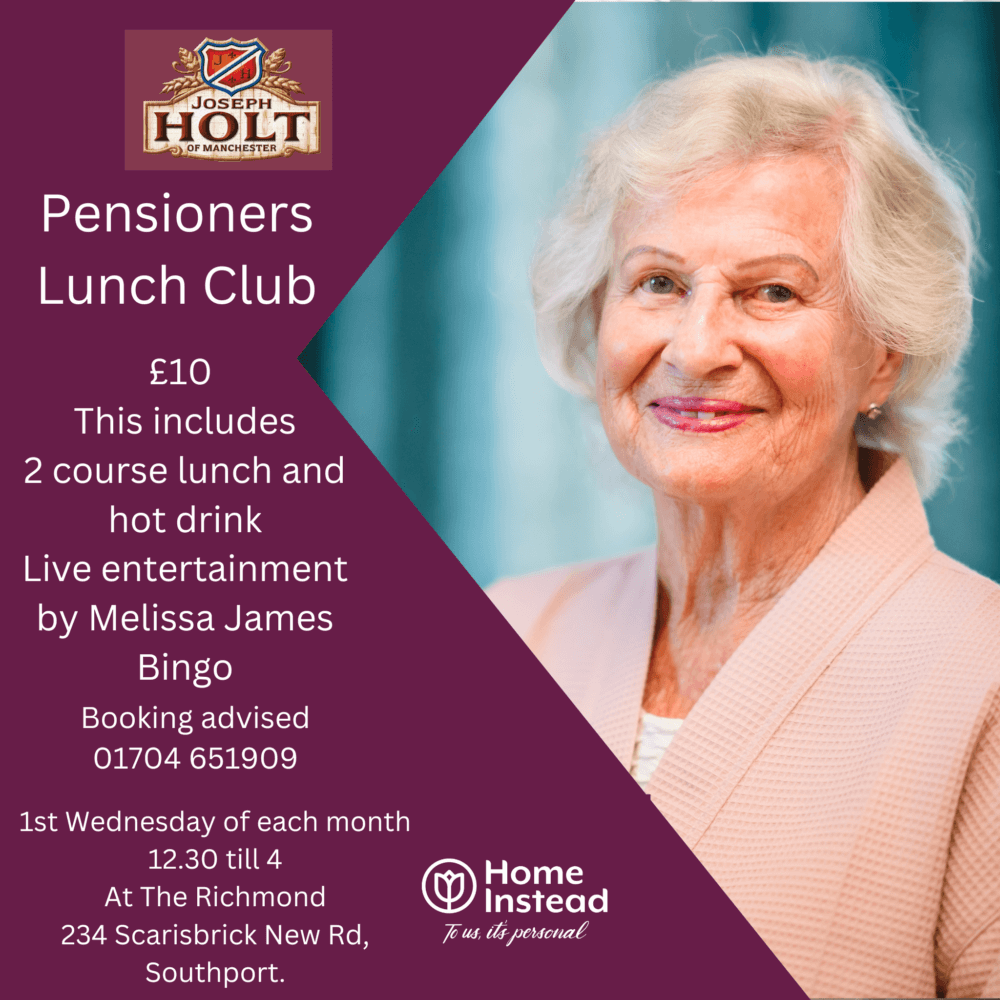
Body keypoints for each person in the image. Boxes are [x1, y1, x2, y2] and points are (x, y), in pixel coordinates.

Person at [488, 54, 1000, 999]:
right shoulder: (502, 633)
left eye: (773, 292)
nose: (695, 349)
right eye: (657, 283)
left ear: (885, 355)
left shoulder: (984, 675)